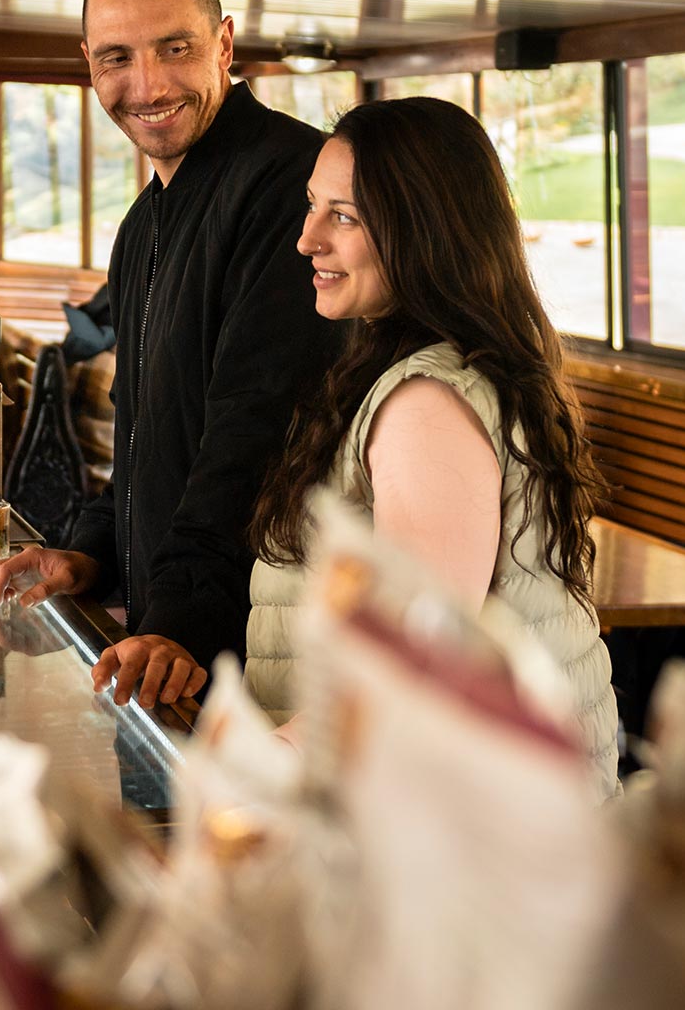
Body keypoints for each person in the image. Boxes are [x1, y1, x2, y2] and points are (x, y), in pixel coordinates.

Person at [0, 0, 339, 711]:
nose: (146, 85)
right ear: (87, 64)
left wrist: (180, 623)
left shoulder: (288, 188)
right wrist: (88, 554)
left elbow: (256, 435)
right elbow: (148, 438)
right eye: (116, 58)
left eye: (174, 48)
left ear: (225, 45)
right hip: (162, 652)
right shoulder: (142, 225)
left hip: (255, 661)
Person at [243, 96, 621, 796]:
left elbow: (408, 668)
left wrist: (248, 777)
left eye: (344, 217)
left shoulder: (427, 403)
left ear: (424, 233)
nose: (307, 238)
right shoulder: (421, 367)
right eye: (312, 204)